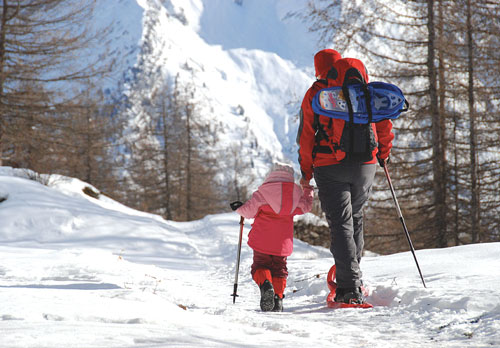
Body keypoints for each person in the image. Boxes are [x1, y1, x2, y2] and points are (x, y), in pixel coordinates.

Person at [296, 49, 394, 304]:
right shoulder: (365, 89)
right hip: (366, 164)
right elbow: (384, 123)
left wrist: (306, 172)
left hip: (330, 165)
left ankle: (348, 289)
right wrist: (383, 153)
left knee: (341, 224)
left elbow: (306, 136)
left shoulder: (317, 92)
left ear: (320, 69)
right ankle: (352, 279)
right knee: (356, 217)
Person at [232, 162, 313, 312]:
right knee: (280, 270)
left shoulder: (263, 193)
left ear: (271, 175)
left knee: (259, 266)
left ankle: (266, 284)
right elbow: (306, 206)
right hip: (282, 244)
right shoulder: (295, 195)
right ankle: (278, 298)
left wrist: (239, 208)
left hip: (262, 240)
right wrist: (307, 189)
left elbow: (248, 212)